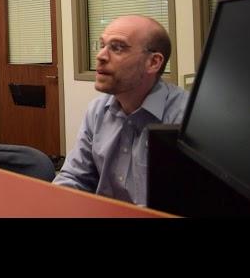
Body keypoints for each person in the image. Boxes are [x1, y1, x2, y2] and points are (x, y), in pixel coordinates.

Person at [53, 15, 189, 206]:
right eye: (102, 45)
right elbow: (74, 178)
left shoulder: (186, 119)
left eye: (117, 47)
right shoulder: (98, 110)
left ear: (153, 62)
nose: (100, 56)